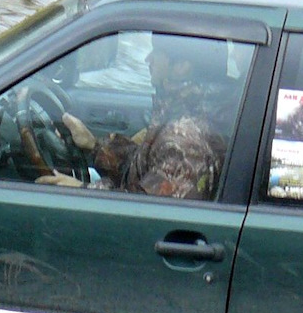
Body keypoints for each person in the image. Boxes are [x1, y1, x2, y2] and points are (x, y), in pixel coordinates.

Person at [48, 35, 235, 200]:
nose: (148, 59)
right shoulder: (184, 112)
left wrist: (81, 190)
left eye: (157, 52)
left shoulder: (185, 141)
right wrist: (94, 146)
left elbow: (141, 208)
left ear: (182, 66)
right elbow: (149, 171)